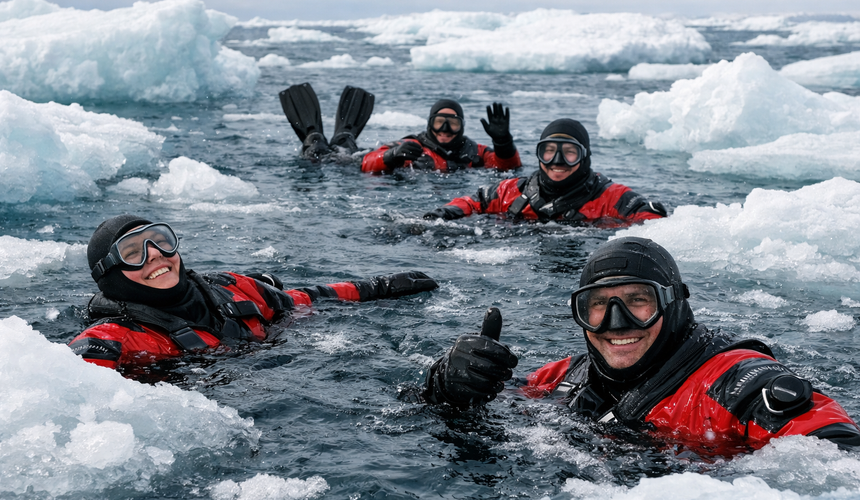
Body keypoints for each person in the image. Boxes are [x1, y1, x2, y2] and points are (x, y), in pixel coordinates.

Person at [420, 237, 860, 454]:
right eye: (598, 306)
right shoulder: (561, 378)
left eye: (637, 301)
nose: (616, 324)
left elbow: (839, 460)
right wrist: (443, 386)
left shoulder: (737, 386)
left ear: (672, 305)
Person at [68, 214, 438, 375]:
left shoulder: (230, 287)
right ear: (110, 276)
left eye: (161, 242)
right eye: (134, 253)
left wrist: (379, 288)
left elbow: (306, 298)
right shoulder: (112, 340)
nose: (156, 255)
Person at [423, 119, 666, 224]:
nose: (557, 161)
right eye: (548, 151)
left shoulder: (612, 198)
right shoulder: (511, 191)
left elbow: (649, 220)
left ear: (585, 156)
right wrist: (445, 213)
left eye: (569, 152)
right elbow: (473, 202)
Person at [360, 99, 522, 173]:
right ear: (430, 124)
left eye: (453, 123)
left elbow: (507, 167)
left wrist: (503, 142)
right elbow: (367, 162)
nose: (445, 129)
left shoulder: (476, 151)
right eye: (439, 122)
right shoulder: (412, 146)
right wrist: (392, 156)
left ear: (461, 126)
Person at [279, 82, 375, 161]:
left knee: (316, 142)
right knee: (344, 142)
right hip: (343, 160)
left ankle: (315, 135)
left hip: (321, 160)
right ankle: (338, 135)